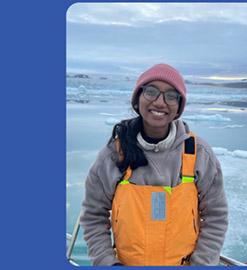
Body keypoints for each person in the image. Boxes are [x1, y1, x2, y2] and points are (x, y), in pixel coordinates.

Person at [80, 63, 228, 266]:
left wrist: (201, 264)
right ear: (137, 98)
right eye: (151, 91)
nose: (160, 102)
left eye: (171, 95)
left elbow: (216, 216)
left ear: (179, 106)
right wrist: (107, 263)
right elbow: (93, 215)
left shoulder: (198, 154)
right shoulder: (114, 154)